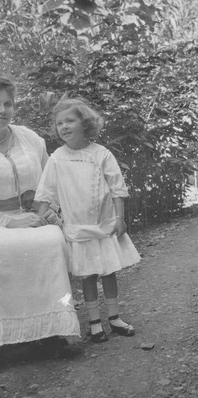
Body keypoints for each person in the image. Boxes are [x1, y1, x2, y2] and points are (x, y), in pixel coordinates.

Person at [0, 69, 80, 359]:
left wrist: (51, 211)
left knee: (51, 241)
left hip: (32, 212)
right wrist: (10, 221)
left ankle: (52, 331)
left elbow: (51, 181)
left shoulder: (29, 138)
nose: (2, 110)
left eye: (8, 103)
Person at [35, 98, 141, 343]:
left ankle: (114, 318)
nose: (64, 127)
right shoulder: (57, 158)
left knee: (109, 271)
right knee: (88, 276)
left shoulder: (101, 154)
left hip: (104, 226)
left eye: (70, 121)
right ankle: (95, 322)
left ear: (85, 123)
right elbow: (46, 193)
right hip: (78, 229)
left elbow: (117, 188)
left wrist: (120, 219)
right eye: (59, 123)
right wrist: (38, 220)